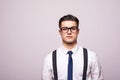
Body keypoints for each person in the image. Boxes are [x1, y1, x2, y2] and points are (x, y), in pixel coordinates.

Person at [42, 14, 104, 80]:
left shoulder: (91, 56)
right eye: (65, 29)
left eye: (73, 28)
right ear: (60, 32)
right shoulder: (49, 59)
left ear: (78, 31)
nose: (69, 32)